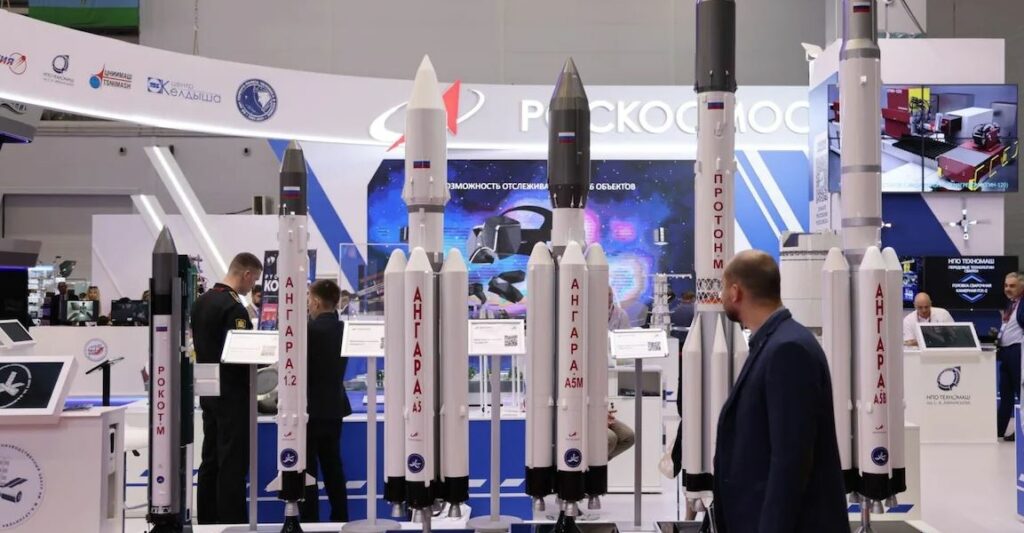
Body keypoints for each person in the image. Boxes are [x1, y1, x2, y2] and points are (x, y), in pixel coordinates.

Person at [712, 250, 847, 533]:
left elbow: (791, 459)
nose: (721, 295)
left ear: (736, 292)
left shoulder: (788, 349)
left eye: (723, 287)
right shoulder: (772, 343)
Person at [193, 252, 263, 524]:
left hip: (208, 390)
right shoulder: (234, 308)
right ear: (246, 274)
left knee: (210, 458)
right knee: (232, 462)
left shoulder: (201, 302)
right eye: (254, 280)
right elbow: (240, 355)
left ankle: (207, 521)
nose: (252, 285)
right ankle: (232, 522)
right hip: (232, 394)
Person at [301, 279, 351, 522]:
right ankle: (340, 517)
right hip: (334, 407)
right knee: (333, 466)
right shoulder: (344, 330)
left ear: (317, 302)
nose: (308, 305)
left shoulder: (307, 331)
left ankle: (309, 520)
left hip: (309, 408)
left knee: (307, 468)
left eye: (309, 300)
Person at [998, 272, 1024, 441]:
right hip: (1006, 352)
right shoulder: (1011, 304)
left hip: (1018, 351)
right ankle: (999, 430)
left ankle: (1021, 431)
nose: (1008, 289)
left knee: (1020, 393)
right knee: (1005, 393)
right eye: (1006, 285)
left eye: (1012, 286)